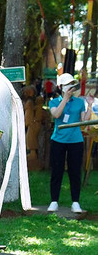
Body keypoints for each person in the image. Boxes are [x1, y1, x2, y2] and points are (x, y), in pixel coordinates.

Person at [47, 72, 91, 214]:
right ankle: (54, 201)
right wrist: (64, 99)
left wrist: (89, 106)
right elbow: (56, 115)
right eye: (67, 85)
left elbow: (83, 121)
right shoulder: (53, 102)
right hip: (58, 141)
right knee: (57, 171)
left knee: (74, 172)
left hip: (76, 141)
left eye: (72, 84)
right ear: (61, 87)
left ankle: (75, 202)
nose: (71, 87)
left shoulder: (79, 102)